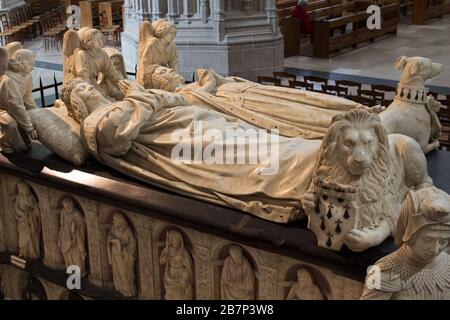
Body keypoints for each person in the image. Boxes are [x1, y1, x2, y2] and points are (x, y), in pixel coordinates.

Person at [361, 186, 450, 300]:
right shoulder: (384, 271)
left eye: (443, 241)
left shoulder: (447, 266)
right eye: (428, 240)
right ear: (410, 234)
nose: (435, 248)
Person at [0, 49, 38, 153]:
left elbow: (28, 96)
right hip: (3, 110)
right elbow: (16, 105)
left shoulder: (27, 76)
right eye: (31, 64)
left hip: (16, 108)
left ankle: (24, 142)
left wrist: (36, 112)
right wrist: (29, 127)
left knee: (28, 117)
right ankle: (6, 145)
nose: (33, 67)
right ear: (22, 63)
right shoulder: (8, 80)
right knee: (11, 124)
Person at [107, 213, 137, 297]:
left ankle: (128, 290)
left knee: (125, 272)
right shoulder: (113, 228)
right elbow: (110, 235)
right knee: (117, 272)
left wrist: (122, 246)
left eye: (114, 220)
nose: (113, 222)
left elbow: (133, 242)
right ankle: (119, 287)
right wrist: (110, 239)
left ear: (119, 221)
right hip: (115, 254)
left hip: (125, 255)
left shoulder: (127, 230)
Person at [159, 230, 193, 300]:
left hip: (181, 274)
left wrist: (184, 278)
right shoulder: (168, 250)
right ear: (171, 241)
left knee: (182, 294)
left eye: (178, 240)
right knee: (171, 293)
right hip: (171, 274)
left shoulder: (183, 252)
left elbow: (188, 267)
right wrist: (167, 249)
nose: (176, 242)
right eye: (174, 240)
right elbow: (161, 261)